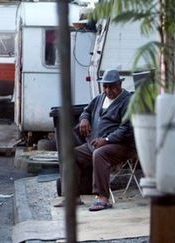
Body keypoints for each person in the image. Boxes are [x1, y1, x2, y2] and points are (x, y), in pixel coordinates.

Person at [56, 69, 137, 211]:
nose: (108, 90)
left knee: (100, 154)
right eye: (105, 86)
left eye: (112, 86)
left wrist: (106, 139)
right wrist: (84, 119)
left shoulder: (127, 101)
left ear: (119, 84)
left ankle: (103, 198)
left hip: (121, 145)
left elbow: (127, 129)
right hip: (95, 144)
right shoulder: (100, 98)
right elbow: (86, 110)